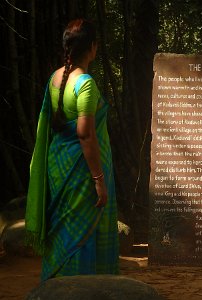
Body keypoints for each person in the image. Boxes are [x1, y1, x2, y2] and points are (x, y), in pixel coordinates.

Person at [25, 18, 119, 281]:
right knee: (82, 235)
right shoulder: (85, 83)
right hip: (81, 174)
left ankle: (54, 286)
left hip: (58, 167)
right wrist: (99, 180)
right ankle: (82, 288)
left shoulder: (55, 79)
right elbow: (85, 134)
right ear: (92, 47)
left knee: (63, 231)